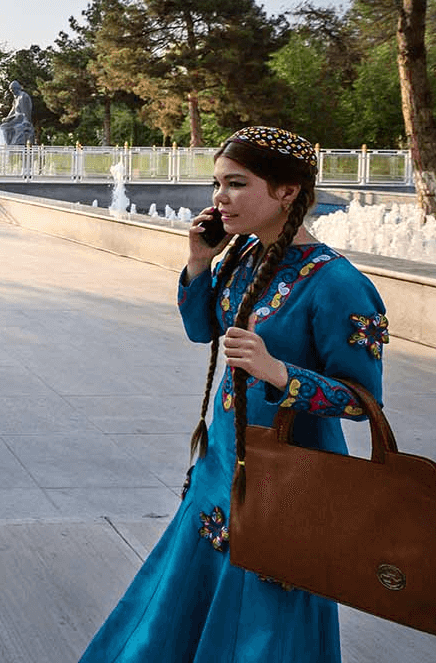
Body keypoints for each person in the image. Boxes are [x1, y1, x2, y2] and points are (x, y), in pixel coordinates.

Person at [77, 126, 388, 663]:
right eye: (217, 183)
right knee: (179, 607)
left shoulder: (338, 284)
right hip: (222, 464)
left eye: (236, 184)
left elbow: (364, 402)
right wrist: (199, 262)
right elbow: (203, 330)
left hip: (290, 481)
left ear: (287, 192)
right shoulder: (244, 258)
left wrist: (280, 374)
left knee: (264, 629)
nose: (219, 198)